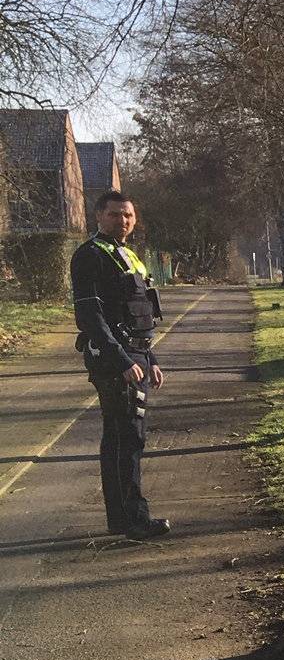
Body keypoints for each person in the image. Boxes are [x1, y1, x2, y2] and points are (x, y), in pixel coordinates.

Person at [71, 190, 170, 540]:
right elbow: (91, 316)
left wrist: (150, 358)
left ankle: (126, 517)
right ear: (98, 216)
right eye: (114, 215)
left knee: (131, 437)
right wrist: (123, 359)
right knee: (123, 438)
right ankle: (132, 520)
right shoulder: (90, 256)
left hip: (137, 356)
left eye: (127, 215)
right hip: (115, 359)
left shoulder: (128, 255)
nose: (122, 221)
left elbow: (141, 312)